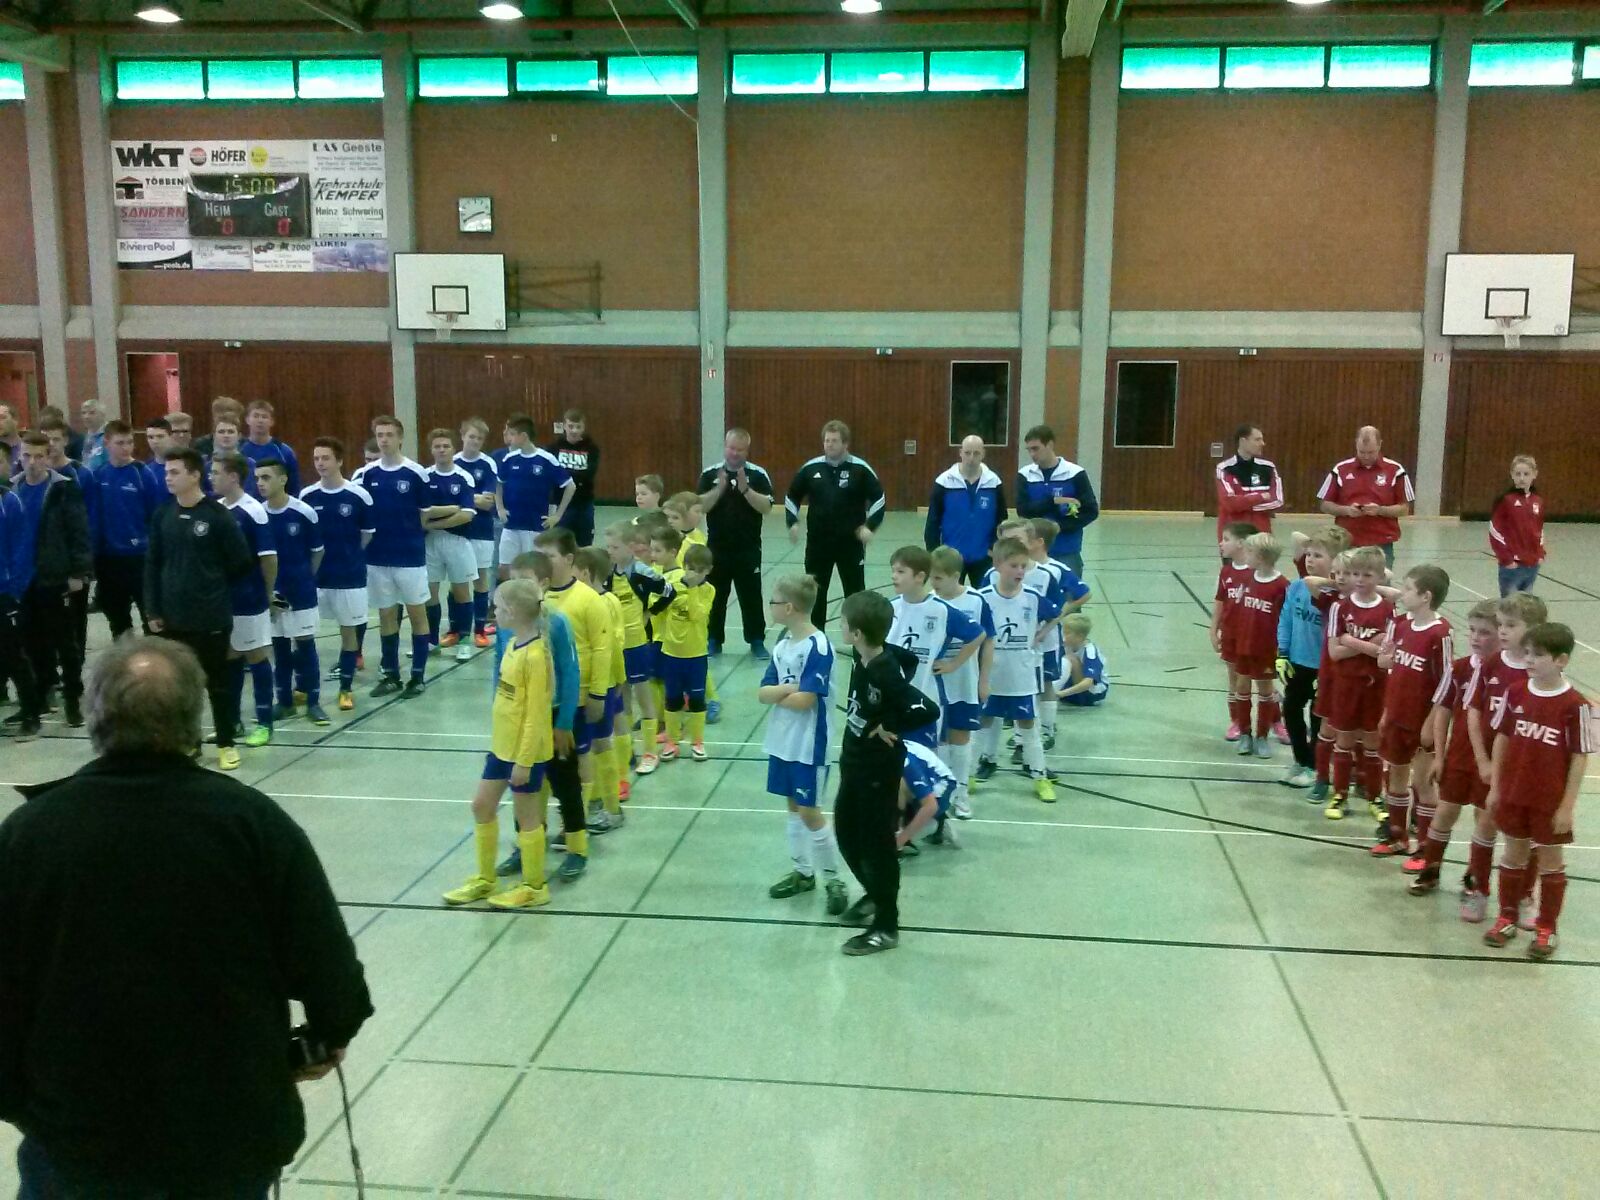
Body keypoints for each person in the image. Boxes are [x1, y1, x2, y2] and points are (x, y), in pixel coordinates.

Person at [0, 636, 373, 1196]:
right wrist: (313, 1045)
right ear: (193, 718)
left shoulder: (27, 837)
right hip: (225, 1142)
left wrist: (28, 1106)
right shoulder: (254, 826)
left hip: (77, 1143)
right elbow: (335, 984)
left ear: (96, 717)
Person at [833, 590, 940, 956]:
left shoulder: (882, 670)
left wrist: (891, 724)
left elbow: (928, 709)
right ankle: (876, 895)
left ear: (857, 632)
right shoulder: (863, 655)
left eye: (844, 623)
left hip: (877, 771)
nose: (840, 626)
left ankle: (886, 925)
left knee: (877, 846)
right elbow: (908, 658)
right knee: (846, 834)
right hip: (854, 763)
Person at [442, 577, 560, 910]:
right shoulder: (512, 643)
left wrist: (524, 761)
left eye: (497, 607)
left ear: (513, 611)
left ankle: (534, 886)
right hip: (502, 748)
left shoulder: (535, 656)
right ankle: (485, 878)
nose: (493, 612)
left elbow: (536, 715)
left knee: (528, 818)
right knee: (481, 806)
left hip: (525, 753)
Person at [1483, 622, 1592, 959]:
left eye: (1538, 655)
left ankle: (1546, 927)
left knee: (1550, 861)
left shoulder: (1575, 705)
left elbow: (1579, 757)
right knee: (1513, 855)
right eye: (1527, 653)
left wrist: (1566, 806)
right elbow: (1502, 739)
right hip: (1515, 793)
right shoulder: (1516, 692)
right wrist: (1496, 787)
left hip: (1549, 799)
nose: (1529, 659)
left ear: (1561, 660)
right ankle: (1506, 918)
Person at [146, 448, 253, 770]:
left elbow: (241, 562)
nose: (168, 478)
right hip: (172, 618)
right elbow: (152, 565)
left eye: (175, 472)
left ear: (195, 476)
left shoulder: (217, 516)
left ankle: (226, 742)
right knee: (179, 686)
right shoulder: (163, 514)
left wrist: (209, 584)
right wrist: (153, 610)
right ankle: (189, 742)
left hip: (210, 617)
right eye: (166, 472)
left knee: (217, 683)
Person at [760, 573, 847, 912]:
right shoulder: (782, 646)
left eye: (773, 601)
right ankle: (803, 872)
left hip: (810, 745)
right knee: (793, 808)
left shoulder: (818, 647)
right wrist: (787, 689)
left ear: (789, 607)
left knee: (811, 812)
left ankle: (834, 880)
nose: (770, 606)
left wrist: (781, 694)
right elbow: (763, 693)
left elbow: (806, 701)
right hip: (783, 742)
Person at [1459, 591, 1547, 923]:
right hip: (1490, 764)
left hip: (1527, 768)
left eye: (1511, 625)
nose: (1503, 631)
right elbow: (1473, 712)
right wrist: (1483, 761)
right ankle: (1477, 890)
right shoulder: (1491, 663)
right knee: (1485, 823)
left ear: (1533, 629)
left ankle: (1524, 895)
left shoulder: (1539, 670)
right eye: (1501, 624)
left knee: (1526, 835)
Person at [1409, 601, 1500, 902]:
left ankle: (1475, 877)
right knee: (1445, 812)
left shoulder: (1510, 676)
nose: (1475, 638)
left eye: (1485, 632)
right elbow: (1443, 711)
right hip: (1459, 756)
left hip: (1493, 762)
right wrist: (1439, 755)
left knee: (1485, 820)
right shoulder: (1459, 668)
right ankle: (1431, 869)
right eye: (1472, 630)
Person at [353, 416, 443, 699]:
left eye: (389, 434)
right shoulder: (366, 475)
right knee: (387, 615)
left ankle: (417, 676)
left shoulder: (416, 473)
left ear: (401, 438)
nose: (384, 440)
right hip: (377, 558)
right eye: (380, 435)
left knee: (417, 614)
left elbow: (424, 515)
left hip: (410, 557)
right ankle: (391, 674)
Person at [536, 526, 620, 827]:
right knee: (544, 761)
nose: (543, 562)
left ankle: (586, 816)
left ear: (569, 559)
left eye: (550, 556)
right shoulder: (537, 598)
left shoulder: (588, 599)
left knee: (582, 756)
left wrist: (597, 694)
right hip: (545, 699)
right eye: (539, 556)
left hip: (580, 696)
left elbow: (602, 649)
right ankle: (540, 823)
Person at [1369, 565, 1453, 860]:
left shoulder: (1440, 634)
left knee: (1422, 784)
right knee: (1395, 776)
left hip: (1422, 721)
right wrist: (1386, 711)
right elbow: (1385, 665)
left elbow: (1445, 684)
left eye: (1407, 589)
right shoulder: (1400, 624)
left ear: (1425, 596)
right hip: (1396, 715)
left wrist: (1432, 724)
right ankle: (1397, 837)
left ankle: (1425, 849)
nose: (1401, 594)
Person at [13, 433, 91, 730]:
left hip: (55, 576)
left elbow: (79, 532)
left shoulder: (63, 489)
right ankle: (39, 699)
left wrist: (78, 573)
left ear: (48, 457)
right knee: (30, 642)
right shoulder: (14, 489)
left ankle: (72, 700)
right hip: (24, 580)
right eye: (26, 456)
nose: (32, 462)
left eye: (38, 456)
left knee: (65, 643)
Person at [973, 537, 1054, 802]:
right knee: (983, 722)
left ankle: (1040, 776)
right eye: (1014, 566)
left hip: (1022, 676)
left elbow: (1054, 614)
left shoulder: (1032, 597)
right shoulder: (983, 598)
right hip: (992, 675)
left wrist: (1041, 633)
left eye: (1023, 566)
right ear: (997, 565)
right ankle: (970, 773)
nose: (1020, 571)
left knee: (1028, 725)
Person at [784, 419, 885, 629]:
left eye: (834, 441)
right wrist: (792, 522)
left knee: (855, 593)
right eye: (826, 441)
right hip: (818, 544)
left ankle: (859, 639)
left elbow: (879, 499)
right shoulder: (811, 469)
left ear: (845, 443)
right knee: (815, 592)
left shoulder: (860, 469)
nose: (829, 445)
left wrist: (870, 527)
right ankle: (816, 637)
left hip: (851, 544)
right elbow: (792, 496)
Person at [1321, 546, 1395, 821]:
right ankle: (1340, 794)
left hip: (1376, 686)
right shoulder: (1339, 607)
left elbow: (1385, 655)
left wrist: (1350, 640)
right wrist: (1367, 645)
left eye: (1366, 574)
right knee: (1344, 740)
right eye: (1355, 574)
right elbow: (1334, 652)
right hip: (1346, 685)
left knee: (1373, 742)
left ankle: (1375, 796)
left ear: (1380, 577)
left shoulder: (1388, 609)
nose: (1359, 580)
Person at [300, 437, 374, 712]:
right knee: (304, 634)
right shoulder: (307, 497)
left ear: (340, 461)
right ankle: (303, 687)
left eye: (326, 458)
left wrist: (348, 556)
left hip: (349, 577)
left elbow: (366, 535)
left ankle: (346, 688)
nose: (320, 463)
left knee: (349, 633)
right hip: (316, 579)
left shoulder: (359, 496)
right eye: (316, 458)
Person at [887, 545, 984, 753]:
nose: (894, 576)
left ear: (920, 576)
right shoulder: (889, 607)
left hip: (927, 696)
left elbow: (978, 634)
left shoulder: (941, 610)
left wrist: (953, 664)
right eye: (893, 571)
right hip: (894, 699)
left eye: (901, 571)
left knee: (926, 755)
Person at [213, 453, 279, 749]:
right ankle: (233, 722)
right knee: (229, 658)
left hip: (249, 598)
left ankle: (264, 723)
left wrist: (267, 593)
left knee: (256, 655)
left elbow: (269, 559)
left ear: (233, 477)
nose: (211, 478)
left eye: (216, 473)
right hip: (221, 600)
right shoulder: (215, 509)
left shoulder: (254, 512)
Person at [258, 460, 327, 727]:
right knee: (280, 649)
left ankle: (314, 702)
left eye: (266, 477)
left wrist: (304, 578)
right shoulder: (258, 514)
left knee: (306, 644)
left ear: (283, 479)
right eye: (258, 478)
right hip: (272, 595)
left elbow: (317, 551)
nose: (260, 483)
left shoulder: (303, 512)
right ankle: (284, 702)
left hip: (301, 592)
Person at [698, 428, 775, 659]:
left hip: (748, 548)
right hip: (716, 547)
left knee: (751, 596)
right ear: (725, 447)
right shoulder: (710, 474)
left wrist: (746, 490)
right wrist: (719, 488)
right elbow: (700, 506)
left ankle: (756, 640)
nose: (734, 453)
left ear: (746, 451)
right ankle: (713, 639)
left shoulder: (758, 475)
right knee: (715, 596)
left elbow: (767, 507)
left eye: (739, 449)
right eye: (731, 448)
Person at [927, 545, 992, 819]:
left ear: (956, 576)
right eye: (931, 577)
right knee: (940, 740)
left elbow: (987, 640)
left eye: (939, 578)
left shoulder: (976, 601)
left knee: (961, 737)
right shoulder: (929, 601)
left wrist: (984, 680)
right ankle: (943, 795)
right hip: (935, 685)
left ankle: (962, 795)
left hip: (965, 681)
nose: (933, 583)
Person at [85, 418, 165, 639]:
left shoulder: (142, 473)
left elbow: (155, 515)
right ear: (107, 443)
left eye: (129, 442)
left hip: (139, 557)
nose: (126, 448)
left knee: (151, 618)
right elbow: (94, 517)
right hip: (108, 558)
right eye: (120, 443)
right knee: (118, 619)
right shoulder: (99, 474)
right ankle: (125, 657)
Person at [574, 546, 629, 832]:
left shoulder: (606, 602)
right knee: (588, 746)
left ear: (585, 573)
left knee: (600, 743)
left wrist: (618, 680)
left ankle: (611, 808)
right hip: (589, 684)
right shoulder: (581, 602)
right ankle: (594, 801)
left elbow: (614, 644)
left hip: (603, 685)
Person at [1275, 532, 1336, 788]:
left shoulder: (1337, 596)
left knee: (1318, 718)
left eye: (1318, 555)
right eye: (1308, 554)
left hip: (1324, 668)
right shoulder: (1296, 587)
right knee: (1290, 709)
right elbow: (1286, 619)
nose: (1309, 559)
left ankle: (1315, 766)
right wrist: (1282, 652)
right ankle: (1300, 760)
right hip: (1298, 662)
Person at [648, 540, 715, 763]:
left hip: (696, 655)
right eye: (690, 568)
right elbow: (656, 609)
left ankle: (697, 742)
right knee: (672, 699)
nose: (693, 573)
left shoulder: (708, 591)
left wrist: (692, 589)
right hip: (671, 654)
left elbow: (696, 614)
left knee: (696, 700)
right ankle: (671, 742)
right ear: (684, 566)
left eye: (699, 570)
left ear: (708, 571)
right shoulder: (672, 586)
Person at [607, 519, 663, 778]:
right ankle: (627, 749)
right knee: (623, 699)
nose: (611, 551)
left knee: (644, 697)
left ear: (631, 547)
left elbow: (669, 592)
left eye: (615, 547)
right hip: (616, 647)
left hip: (637, 644)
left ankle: (650, 752)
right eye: (608, 547)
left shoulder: (642, 572)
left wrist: (649, 613)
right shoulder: (608, 574)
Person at [1228, 533, 1290, 760]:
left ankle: (1262, 736)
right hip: (1244, 644)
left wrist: (1283, 648)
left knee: (1265, 691)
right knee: (1242, 686)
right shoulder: (1247, 578)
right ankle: (1245, 734)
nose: (1245, 556)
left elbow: (1286, 620)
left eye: (1249, 552)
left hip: (1266, 649)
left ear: (1261, 557)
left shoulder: (1282, 585)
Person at [1317, 425, 1413, 567]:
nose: (1366, 456)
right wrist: (1346, 510)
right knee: (1345, 579)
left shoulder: (1396, 470)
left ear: (1380, 445)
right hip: (1347, 541)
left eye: (1371, 452)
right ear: (1356, 444)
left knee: (1381, 580)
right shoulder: (1340, 469)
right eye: (1362, 452)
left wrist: (1380, 510)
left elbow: (1404, 509)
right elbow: (1325, 505)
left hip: (1381, 542)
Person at [423, 429, 479, 663]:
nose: (442, 450)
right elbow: (422, 512)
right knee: (429, 593)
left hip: (457, 541)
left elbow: (466, 514)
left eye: (446, 446)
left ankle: (464, 642)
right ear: (431, 450)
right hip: (429, 543)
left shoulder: (464, 477)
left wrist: (435, 523)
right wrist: (449, 510)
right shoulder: (425, 477)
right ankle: (431, 641)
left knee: (461, 592)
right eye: (437, 446)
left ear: (453, 448)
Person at [1014, 424, 1099, 575]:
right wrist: (1053, 501)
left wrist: (1061, 527)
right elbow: (1023, 510)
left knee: (1069, 590)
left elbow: (1091, 511)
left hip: (1067, 550)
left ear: (1050, 445)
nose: (1032, 454)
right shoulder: (1025, 475)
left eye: (1036, 448)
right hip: (1033, 552)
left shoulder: (1075, 473)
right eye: (1029, 450)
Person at [497, 416, 575, 577]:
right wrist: (500, 508)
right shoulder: (509, 458)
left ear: (523, 436)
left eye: (512, 434)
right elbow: (498, 483)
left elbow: (570, 486)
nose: (509, 438)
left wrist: (557, 516)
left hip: (535, 526)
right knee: (504, 568)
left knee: (533, 569)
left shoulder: (546, 459)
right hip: (511, 524)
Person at [0, 452, 43, 741]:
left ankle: (31, 715)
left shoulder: (9, 501)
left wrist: (15, 590)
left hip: (5, 593)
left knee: (14, 655)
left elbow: (23, 549)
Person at [924, 435, 1006, 585]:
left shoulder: (994, 482)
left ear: (983, 454)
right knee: (950, 596)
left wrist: (993, 548)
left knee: (985, 597)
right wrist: (934, 553)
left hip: (984, 557)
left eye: (976, 453)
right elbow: (933, 522)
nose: (971, 458)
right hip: (951, 558)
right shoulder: (944, 482)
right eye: (967, 453)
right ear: (960, 453)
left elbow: (1001, 519)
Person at [455, 416, 500, 643]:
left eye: (479, 438)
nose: (475, 441)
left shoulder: (488, 464)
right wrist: (473, 498)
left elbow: (487, 502)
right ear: (462, 436)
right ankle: (455, 629)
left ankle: (480, 630)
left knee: (481, 579)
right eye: (471, 436)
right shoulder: (453, 462)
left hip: (482, 530)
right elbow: (445, 497)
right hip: (457, 531)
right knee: (457, 581)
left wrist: (462, 498)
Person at [1212, 522, 1256, 744]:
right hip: (1231, 634)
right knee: (1234, 679)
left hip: (1255, 636)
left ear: (1241, 543)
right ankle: (1237, 721)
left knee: (1264, 681)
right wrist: (1213, 629)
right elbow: (1220, 601)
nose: (1221, 543)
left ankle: (1275, 720)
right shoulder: (1226, 571)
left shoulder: (1257, 572)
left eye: (1226, 539)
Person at [1214, 423, 1283, 543]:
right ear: (1243, 441)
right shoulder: (1224, 468)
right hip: (1233, 537)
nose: (1262, 443)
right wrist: (1260, 497)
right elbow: (1230, 504)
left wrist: (1243, 504)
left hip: (1261, 536)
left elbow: (1277, 501)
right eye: (1257, 439)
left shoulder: (1269, 468)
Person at [1490, 455, 1545, 597]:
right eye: (1518, 474)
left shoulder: (1538, 501)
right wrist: (1506, 559)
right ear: (1512, 475)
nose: (1522, 478)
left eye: (1526, 474)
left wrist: (1540, 554)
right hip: (1512, 566)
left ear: (1534, 474)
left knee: (1526, 605)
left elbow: (1539, 530)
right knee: (1510, 605)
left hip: (1532, 565)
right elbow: (1495, 531)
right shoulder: (1505, 500)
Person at [547, 408, 600, 547]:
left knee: (584, 543)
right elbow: (551, 474)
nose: (574, 430)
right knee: (560, 543)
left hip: (584, 503)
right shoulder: (553, 448)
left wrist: (564, 474)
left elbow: (589, 474)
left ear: (583, 427)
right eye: (571, 426)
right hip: (560, 503)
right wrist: (575, 474)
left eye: (578, 427)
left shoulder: (592, 448)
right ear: (564, 426)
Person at [896, 740, 960, 854]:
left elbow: (930, 806)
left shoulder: (905, 761)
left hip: (943, 787)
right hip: (919, 788)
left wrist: (898, 842)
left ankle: (937, 824)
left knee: (896, 784)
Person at [241, 400, 302, 496]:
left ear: (271, 422)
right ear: (247, 420)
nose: (260, 420)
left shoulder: (284, 452)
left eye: (264, 417)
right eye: (256, 416)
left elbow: (294, 488)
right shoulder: (238, 450)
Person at [1057, 613, 1108, 707]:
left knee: (1070, 659)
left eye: (1067, 633)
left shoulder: (1090, 651)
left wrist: (1061, 694)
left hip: (1090, 693)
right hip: (1072, 686)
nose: (1063, 636)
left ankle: (1055, 692)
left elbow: (1088, 682)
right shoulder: (1065, 645)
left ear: (1079, 636)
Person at [191, 395, 242, 459]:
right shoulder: (201, 445)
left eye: (231, 415)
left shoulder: (245, 445)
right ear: (214, 416)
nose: (226, 417)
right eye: (222, 415)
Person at [77, 398, 108, 472]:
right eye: (83, 413)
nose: (86, 417)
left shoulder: (110, 435)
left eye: (92, 413)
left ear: (102, 415)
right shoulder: (86, 438)